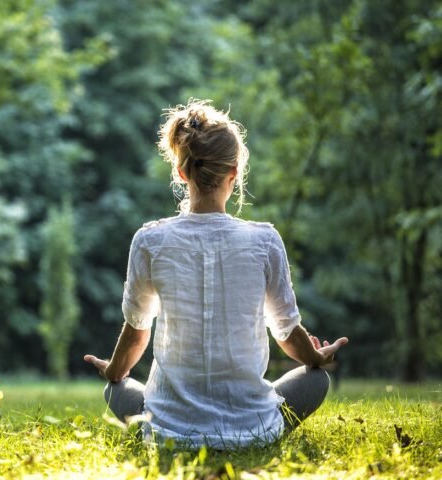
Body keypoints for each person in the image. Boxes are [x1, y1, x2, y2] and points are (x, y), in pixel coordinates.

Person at [83, 99, 348, 449]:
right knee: (316, 382)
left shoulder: (149, 240)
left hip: (169, 434)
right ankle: (255, 432)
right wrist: (316, 358)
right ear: (234, 173)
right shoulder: (264, 240)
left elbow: (136, 334)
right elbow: (286, 332)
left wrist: (114, 371)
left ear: (181, 172)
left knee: (114, 389)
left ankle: (167, 422)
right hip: (252, 429)